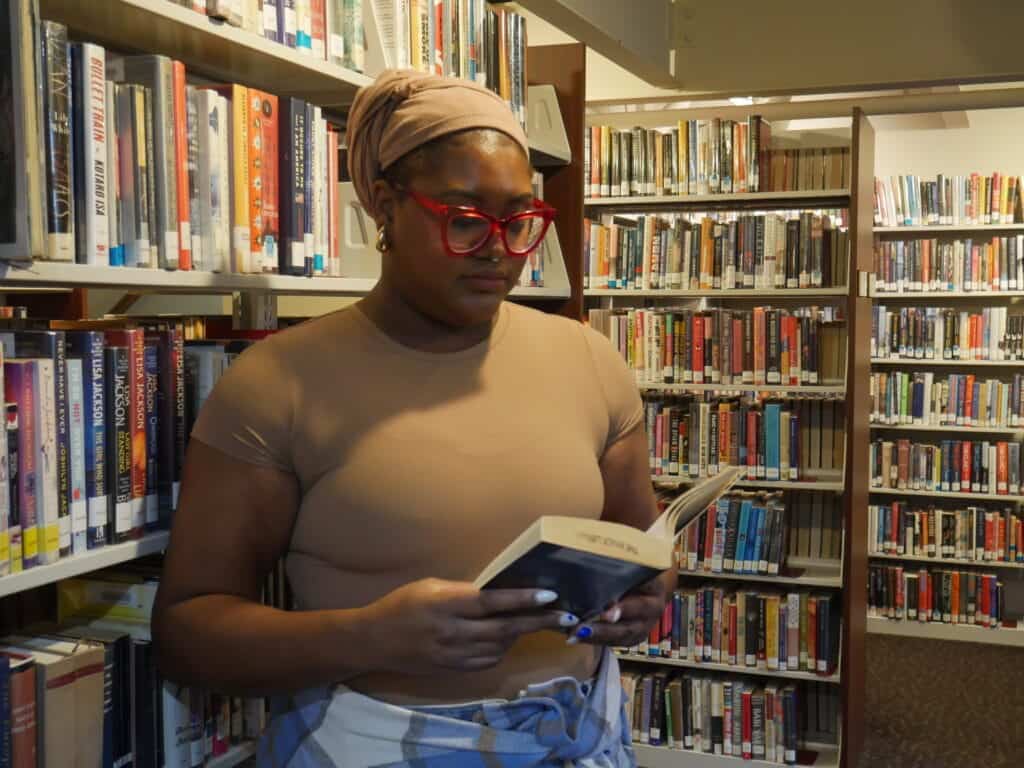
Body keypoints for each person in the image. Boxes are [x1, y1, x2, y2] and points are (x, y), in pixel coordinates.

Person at [152, 69, 673, 767]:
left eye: (520, 220)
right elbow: (189, 635)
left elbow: (642, 545)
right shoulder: (278, 384)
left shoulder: (588, 359)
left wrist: (646, 594)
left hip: (580, 731)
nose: (499, 249)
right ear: (385, 207)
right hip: (373, 740)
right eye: (464, 218)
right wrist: (374, 636)